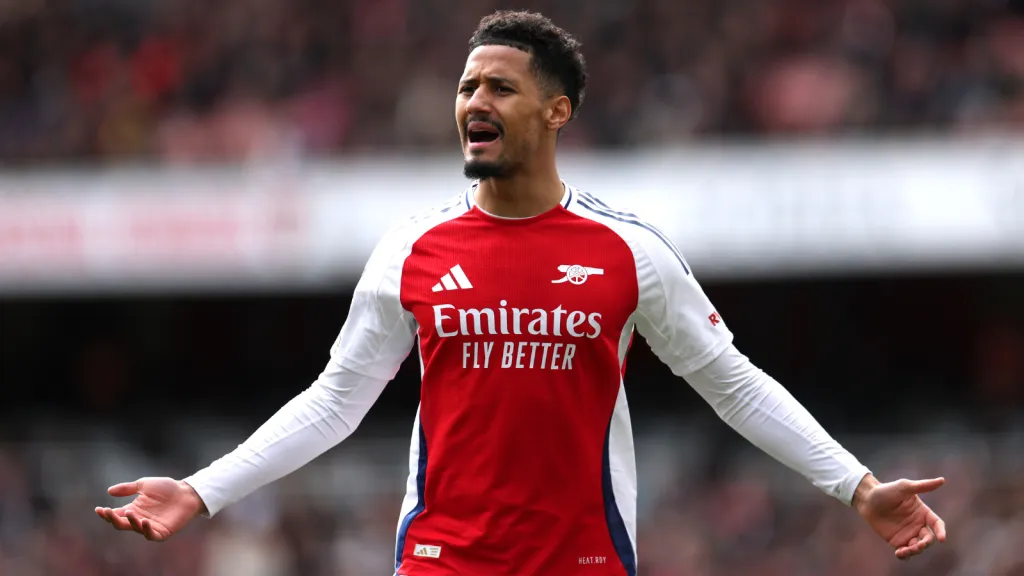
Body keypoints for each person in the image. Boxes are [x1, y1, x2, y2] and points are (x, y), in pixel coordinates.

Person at [95, 10, 947, 575]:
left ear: (556, 112)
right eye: (467, 86)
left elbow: (734, 384)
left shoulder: (629, 252)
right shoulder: (412, 250)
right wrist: (203, 489)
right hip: (441, 561)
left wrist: (856, 485)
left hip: (585, 560)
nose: (476, 100)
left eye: (500, 86)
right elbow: (335, 402)